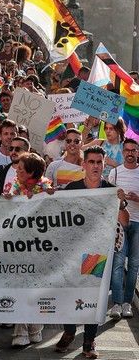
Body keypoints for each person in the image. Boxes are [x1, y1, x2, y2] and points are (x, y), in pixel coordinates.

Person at [55, 145, 117, 359]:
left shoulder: (111, 189)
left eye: (99, 162)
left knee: (93, 296)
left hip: (96, 254)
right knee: (70, 293)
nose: (95, 166)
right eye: (91, 162)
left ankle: (89, 341)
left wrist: (122, 203)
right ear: (83, 165)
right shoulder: (72, 189)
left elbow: (125, 222)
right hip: (72, 252)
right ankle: (69, 331)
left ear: (104, 164)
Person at [2, 152, 52, 348]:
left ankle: (35, 327)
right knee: (19, 285)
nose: (17, 171)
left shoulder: (46, 188)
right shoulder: (16, 185)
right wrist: (8, 199)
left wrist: (43, 198)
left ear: (31, 172)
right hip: (18, 246)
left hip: (39, 247)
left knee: (35, 288)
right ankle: (21, 330)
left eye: (21, 169)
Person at [108, 138, 139, 320]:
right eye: (126, 150)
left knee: (134, 264)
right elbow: (108, 198)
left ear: (137, 153)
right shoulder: (114, 173)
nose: (129, 153)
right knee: (118, 263)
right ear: (122, 152)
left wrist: (136, 198)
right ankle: (117, 304)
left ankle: (128, 302)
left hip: (138, 224)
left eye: (133, 150)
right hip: (119, 224)